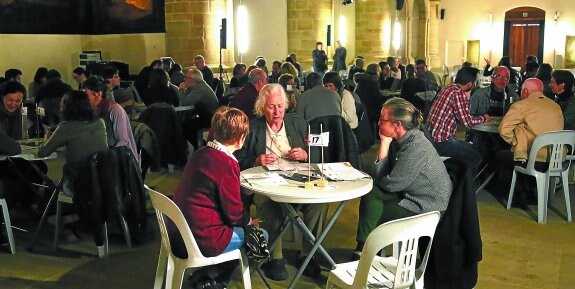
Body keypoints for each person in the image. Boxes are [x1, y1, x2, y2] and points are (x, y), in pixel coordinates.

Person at [235, 84, 327, 280]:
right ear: (262, 107)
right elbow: (237, 158)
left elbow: (318, 153)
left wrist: (305, 154)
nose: (276, 111)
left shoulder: (299, 123)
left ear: (286, 105)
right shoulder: (252, 127)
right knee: (269, 203)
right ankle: (274, 258)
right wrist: (256, 160)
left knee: (319, 204)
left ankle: (307, 255)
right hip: (266, 184)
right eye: (271, 107)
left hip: (297, 181)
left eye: (280, 106)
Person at [172, 107, 262, 289]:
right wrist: (251, 221)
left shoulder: (200, 154)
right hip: (202, 238)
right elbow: (234, 213)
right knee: (260, 235)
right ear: (240, 138)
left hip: (178, 233)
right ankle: (210, 279)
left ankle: (207, 278)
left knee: (246, 230)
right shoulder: (226, 163)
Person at [355, 97, 451, 258]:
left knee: (376, 217)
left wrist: (382, 179)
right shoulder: (405, 139)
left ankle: (366, 251)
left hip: (426, 206)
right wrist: (385, 143)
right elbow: (381, 177)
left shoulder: (415, 148)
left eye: (382, 119)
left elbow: (392, 184)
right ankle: (364, 249)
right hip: (411, 194)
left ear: (397, 125)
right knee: (372, 193)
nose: (378, 123)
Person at [498, 78, 563, 208]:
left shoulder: (522, 105)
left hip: (533, 160)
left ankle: (518, 195)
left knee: (501, 156)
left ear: (525, 91)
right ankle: (532, 192)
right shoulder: (555, 106)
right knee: (520, 156)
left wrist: (517, 141)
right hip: (555, 160)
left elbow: (503, 130)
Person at [37, 90, 108, 195]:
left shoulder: (65, 127)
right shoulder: (100, 123)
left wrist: (47, 139)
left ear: (66, 107)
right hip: (104, 182)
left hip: (79, 184)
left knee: (53, 181)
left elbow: (42, 152)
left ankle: (44, 208)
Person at [426, 66, 490, 173]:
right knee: (476, 156)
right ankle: (465, 185)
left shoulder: (448, 88)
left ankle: (462, 179)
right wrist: (484, 118)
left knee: (474, 148)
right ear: (470, 83)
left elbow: (462, 115)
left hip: (431, 138)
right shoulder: (457, 93)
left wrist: (467, 96)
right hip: (442, 142)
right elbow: (467, 122)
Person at [82, 76, 139, 164]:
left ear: (98, 94)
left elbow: (123, 141)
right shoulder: (92, 110)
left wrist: (106, 157)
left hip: (119, 158)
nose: (83, 98)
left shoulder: (115, 110)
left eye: (86, 94)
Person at [178, 68, 219, 150]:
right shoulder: (196, 86)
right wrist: (187, 89)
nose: (184, 79)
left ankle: (201, 147)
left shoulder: (200, 89)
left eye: (186, 78)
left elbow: (185, 102)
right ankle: (199, 146)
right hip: (206, 115)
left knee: (185, 127)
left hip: (211, 118)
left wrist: (181, 89)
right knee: (186, 124)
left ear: (193, 80)